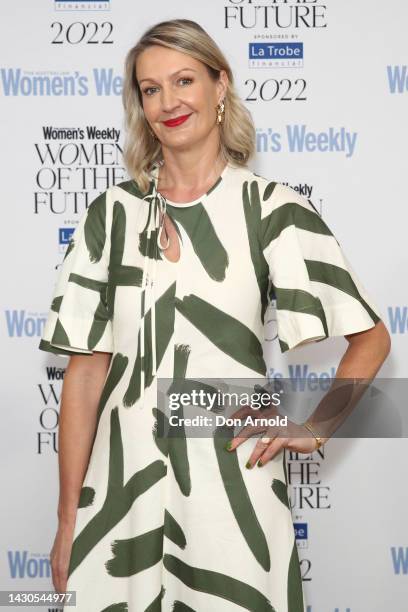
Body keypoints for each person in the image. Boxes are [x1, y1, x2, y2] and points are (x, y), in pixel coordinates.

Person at [38, 18, 391, 612]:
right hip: (120, 500)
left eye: (183, 81)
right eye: (150, 89)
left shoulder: (271, 209)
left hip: (232, 497)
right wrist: (69, 519)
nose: (168, 102)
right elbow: (85, 376)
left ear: (219, 84)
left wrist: (313, 426)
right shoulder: (111, 216)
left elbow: (372, 339)